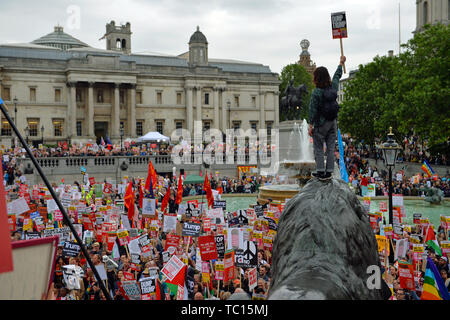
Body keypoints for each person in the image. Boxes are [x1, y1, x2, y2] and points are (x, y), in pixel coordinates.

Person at [308, 56, 346, 180]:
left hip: (321, 123)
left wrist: (310, 125)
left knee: (318, 147)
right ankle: (329, 171)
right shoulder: (333, 87)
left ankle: (320, 171)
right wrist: (340, 63)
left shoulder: (316, 92)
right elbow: (337, 76)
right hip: (333, 122)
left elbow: (312, 109)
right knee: (330, 147)